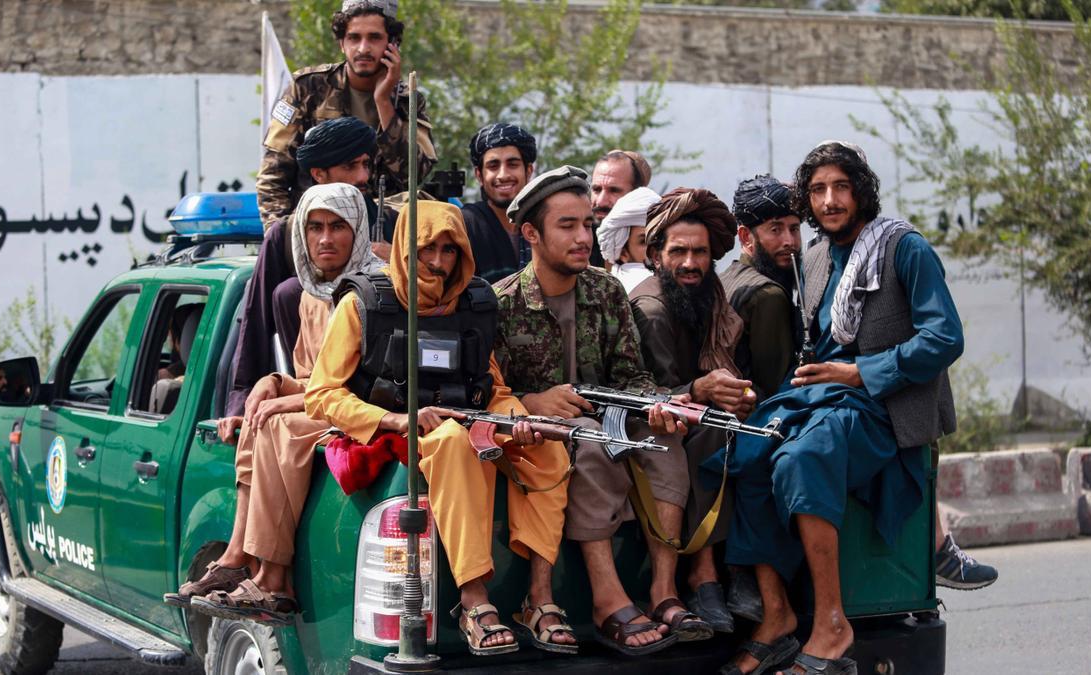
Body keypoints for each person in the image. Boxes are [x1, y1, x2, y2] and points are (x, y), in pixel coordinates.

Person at [704, 141, 965, 675]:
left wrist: (863, 371)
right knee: (747, 452)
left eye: (840, 187)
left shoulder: (904, 247)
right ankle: (776, 617)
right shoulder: (816, 255)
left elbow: (946, 337)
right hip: (823, 396)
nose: (829, 200)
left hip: (882, 405)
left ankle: (831, 623)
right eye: (818, 190)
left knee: (802, 460)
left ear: (861, 191)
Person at [303, 200, 577, 656]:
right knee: (452, 442)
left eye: (449, 251)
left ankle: (540, 597)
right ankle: (474, 600)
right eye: (426, 250)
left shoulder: (475, 304)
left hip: (470, 419)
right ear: (404, 251)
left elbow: (494, 388)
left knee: (549, 448)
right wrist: (394, 418)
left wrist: (518, 419)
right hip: (398, 426)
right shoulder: (362, 304)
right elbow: (322, 394)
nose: (437, 262)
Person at [493, 166, 701, 656]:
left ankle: (663, 590)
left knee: (665, 439)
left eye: (588, 223)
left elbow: (631, 375)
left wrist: (657, 404)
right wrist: (531, 402)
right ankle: (608, 600)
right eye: (568, 225)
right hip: (539, 436)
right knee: (587, 440)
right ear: (531, 233)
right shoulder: (501, 304)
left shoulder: (606, 291)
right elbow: (485, 395)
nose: (584, 236)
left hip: (607, 417)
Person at [164, 183, 384, 625]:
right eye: (315, 228)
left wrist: (283, 401)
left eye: (338, 227)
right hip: (326, 403)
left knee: (277, 424)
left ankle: (271, 577)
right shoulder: (309, 292)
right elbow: (312, 377)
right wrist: (274, 382)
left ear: (358, 230)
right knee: (257, 412)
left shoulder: (375, 291)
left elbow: (357, 386)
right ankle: (242, 557)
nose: (325, 239)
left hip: (365, 412)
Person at [628, 188, 760, 636]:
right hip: (654, 425)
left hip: (701, 413)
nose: (690, 263)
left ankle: (743, 571)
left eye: (700, 253)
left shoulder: (710, 297)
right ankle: (704, 576)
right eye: (678, 252)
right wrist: (701, 390)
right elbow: (654, 395)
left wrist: (739, 395)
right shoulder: (652, 309)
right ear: (656, 256)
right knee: (711, 433)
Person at [227, 117, 377, 416]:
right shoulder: (285, 234)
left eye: (366, 164)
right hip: (311, 394)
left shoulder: (396, 222)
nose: (362, 176)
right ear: (319, 174)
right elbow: (256, 320)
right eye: (350, 167)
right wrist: (241, 404)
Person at [255, 0, 436, 230]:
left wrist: (383, 102)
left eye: (374, 37)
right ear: (342, 43)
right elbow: (273, 177)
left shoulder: (408, 101)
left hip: (383, 234)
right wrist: (282, 238)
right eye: (354, 38)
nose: (363, 48)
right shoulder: (308, 88)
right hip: (319, 232)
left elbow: (413, 175)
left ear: (393, 44)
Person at [719, 175, 803, 402]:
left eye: (794, 229)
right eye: (775, 230)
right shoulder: (769, 296)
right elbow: (778, 387)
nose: (790, 242)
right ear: (747, 237)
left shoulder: (725, 278)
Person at [461, 123, 537, 283]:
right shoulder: (466, 224)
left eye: (513, 164)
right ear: (479, 175)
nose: (503, 175)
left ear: (528, 171)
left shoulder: (542, 224)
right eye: (493, 166)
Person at [589, 149, 652, 267]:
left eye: (614, 190)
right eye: (596, 189)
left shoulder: (655, 242)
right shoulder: (578, 241)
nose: (601, 202)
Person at [595, 186, 659, 293]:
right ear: (623, 254)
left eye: (660, 239)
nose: (656, 248)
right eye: (644, 241)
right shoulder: (642, 284)